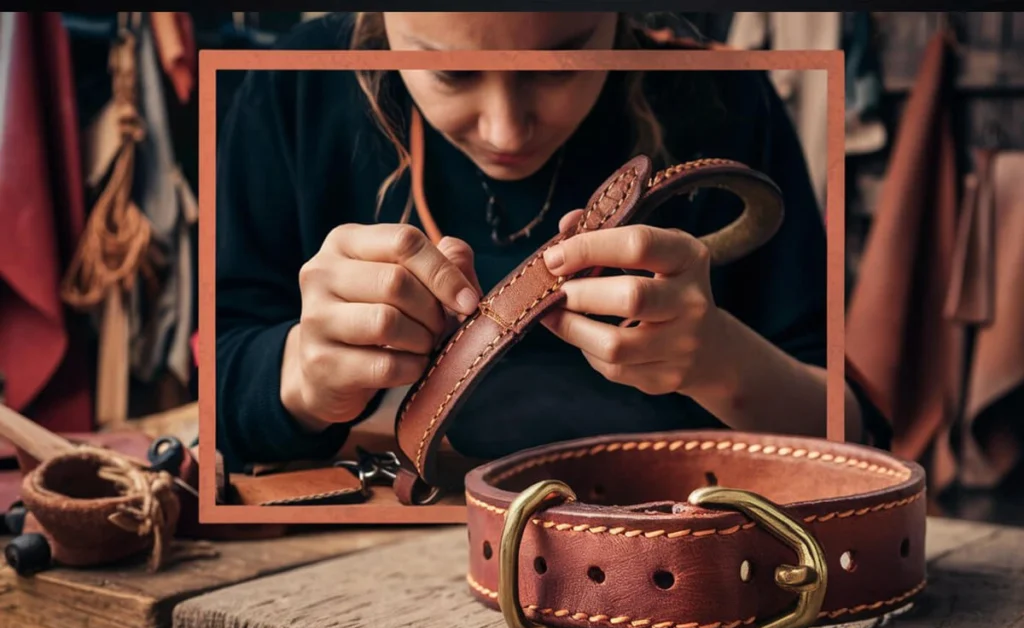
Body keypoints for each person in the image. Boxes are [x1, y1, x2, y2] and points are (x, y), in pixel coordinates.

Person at [215, 11, 889, 474]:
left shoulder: (727, 99)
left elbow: (850, 434)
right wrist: (301, 374)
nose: (506, 132)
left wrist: (717, 360)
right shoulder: (293, 90)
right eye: (451, 74)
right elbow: (215, 385)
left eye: (560, 65)